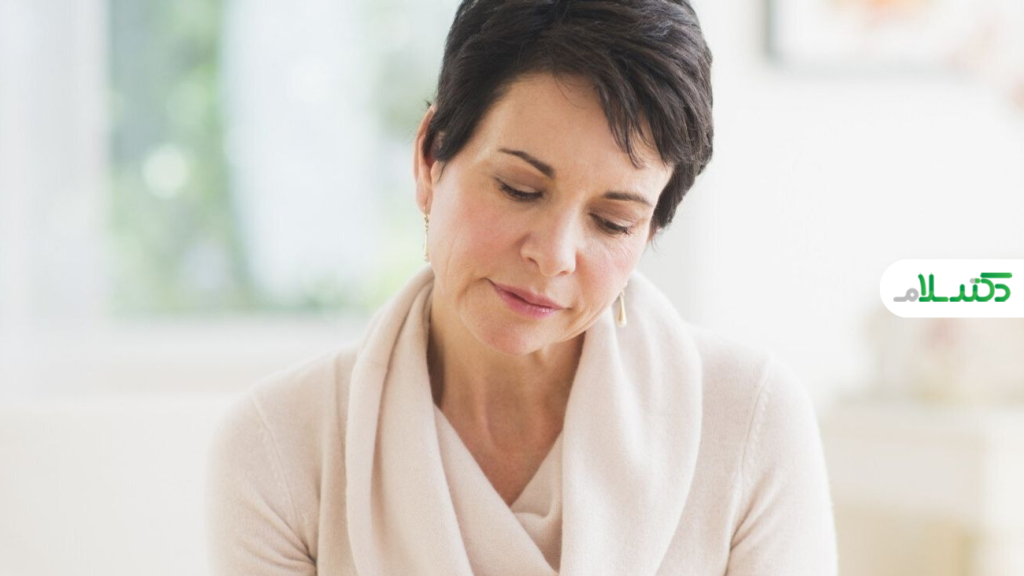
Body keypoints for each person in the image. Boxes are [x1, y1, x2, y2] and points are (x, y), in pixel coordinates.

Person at [206, 0, 839, 574]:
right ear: (430, 158)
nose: (554, 256)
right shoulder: (282, 449)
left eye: (612, 221)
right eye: (519, 189)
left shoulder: (749, 423)